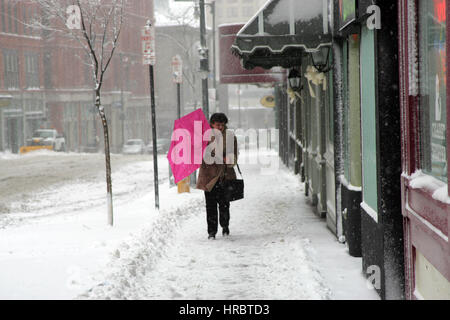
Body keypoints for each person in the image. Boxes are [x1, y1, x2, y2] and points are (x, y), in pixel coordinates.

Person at [196, 113, 238, 240]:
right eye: (217, 124)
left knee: (224, 204)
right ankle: (211, 231)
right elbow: (199, 154)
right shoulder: (204, 136)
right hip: (208, 177)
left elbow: (234, 156)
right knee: (210, 205)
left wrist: (228, 158)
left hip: (224, 176)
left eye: (222, 125)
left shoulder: (230, 136)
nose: (220, 127)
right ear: (212, 124)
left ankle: (225, 226)